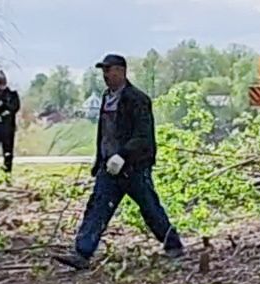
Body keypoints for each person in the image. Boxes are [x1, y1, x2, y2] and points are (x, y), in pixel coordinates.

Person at [58, 53, 184, 270]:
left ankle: (173, 245)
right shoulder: (106, 98)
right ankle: (82, 253)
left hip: (134, 168)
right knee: (97, 208)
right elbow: (104, 134)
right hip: (109, 168)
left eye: (109, 70)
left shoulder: (137, 99)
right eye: (104, 71)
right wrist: (101, 161)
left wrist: (123, 155)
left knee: (150, 207)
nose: (106, 75)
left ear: (121, 71)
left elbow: (144, 136)